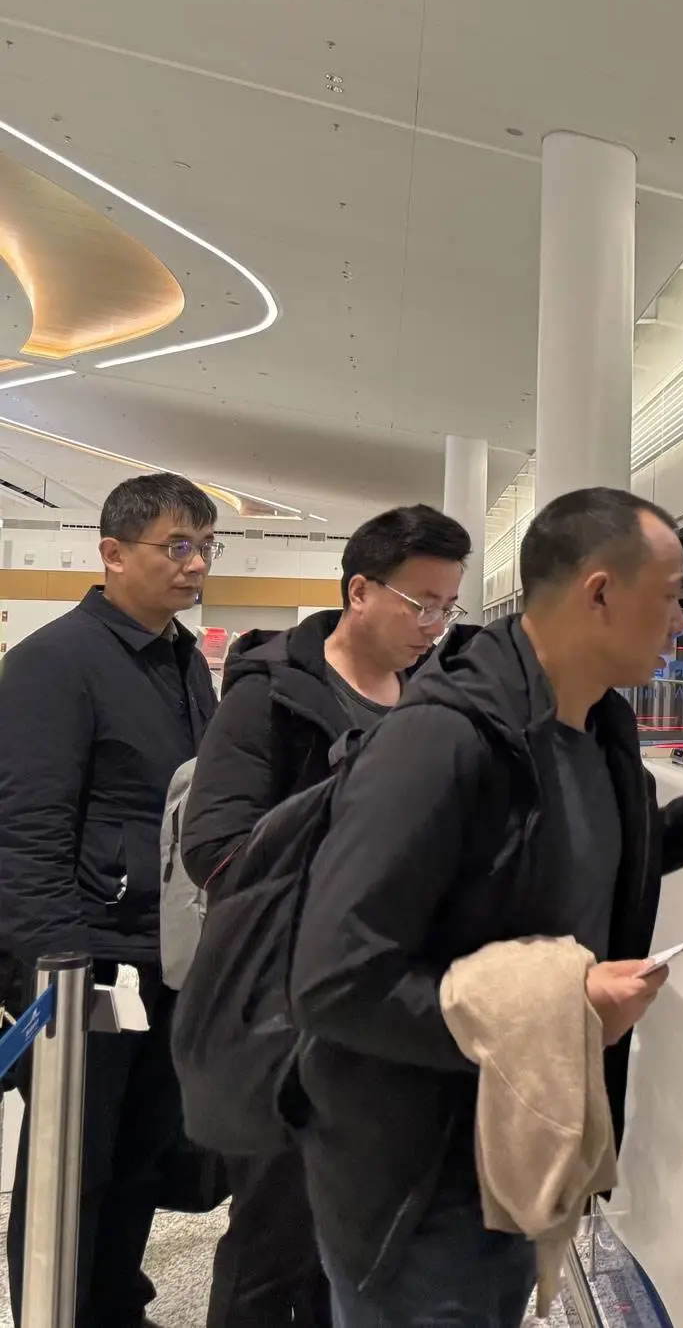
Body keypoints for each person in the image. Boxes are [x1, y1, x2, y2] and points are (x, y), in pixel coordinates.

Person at [287, 486, 683, 1324]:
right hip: (421, 1188)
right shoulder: (440, 742)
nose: (681, 622)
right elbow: (334, 982)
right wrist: (556, 1010)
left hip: (520, 1147)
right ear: (599, 592)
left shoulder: (599, 727)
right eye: (669, 595)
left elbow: (573, 865)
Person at [180, 503, 473, 1328]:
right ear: (359, 591)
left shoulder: (434, 698)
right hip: (286, 1014)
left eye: (448, 607)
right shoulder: (272, 695)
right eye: (421, 604)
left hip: (388, 1014)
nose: (434, 625)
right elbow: (216, 850)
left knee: (359, 1246)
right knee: (274, 1244)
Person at [0, 472, 221, 1326]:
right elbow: (26, 830)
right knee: (72, 1166)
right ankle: (59, 1314)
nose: (196, 563)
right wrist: (57, 971)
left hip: (164, 957)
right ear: (113, 553)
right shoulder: (56, 662)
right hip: (85, 966)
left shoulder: (182, 661)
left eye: (206, 545)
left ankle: (115, 1308)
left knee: (141, 1156)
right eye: (178, 545)